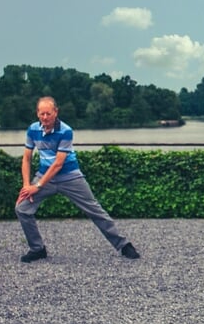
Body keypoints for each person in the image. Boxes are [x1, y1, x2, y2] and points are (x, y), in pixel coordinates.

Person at [15, 96, 140, 263]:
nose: (45, 118)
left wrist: (36, 186)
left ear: (56, 112)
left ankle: (124, 245)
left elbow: (58, 164)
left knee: (94, 209)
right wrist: (26, 186)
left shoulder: (66, 130)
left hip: (70, 176)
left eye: (48, 113)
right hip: (44, 176)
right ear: (37, 113)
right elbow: (26, 159)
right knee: (22, 208)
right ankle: (37, 249)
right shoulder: (32, 130)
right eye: (42, 113)